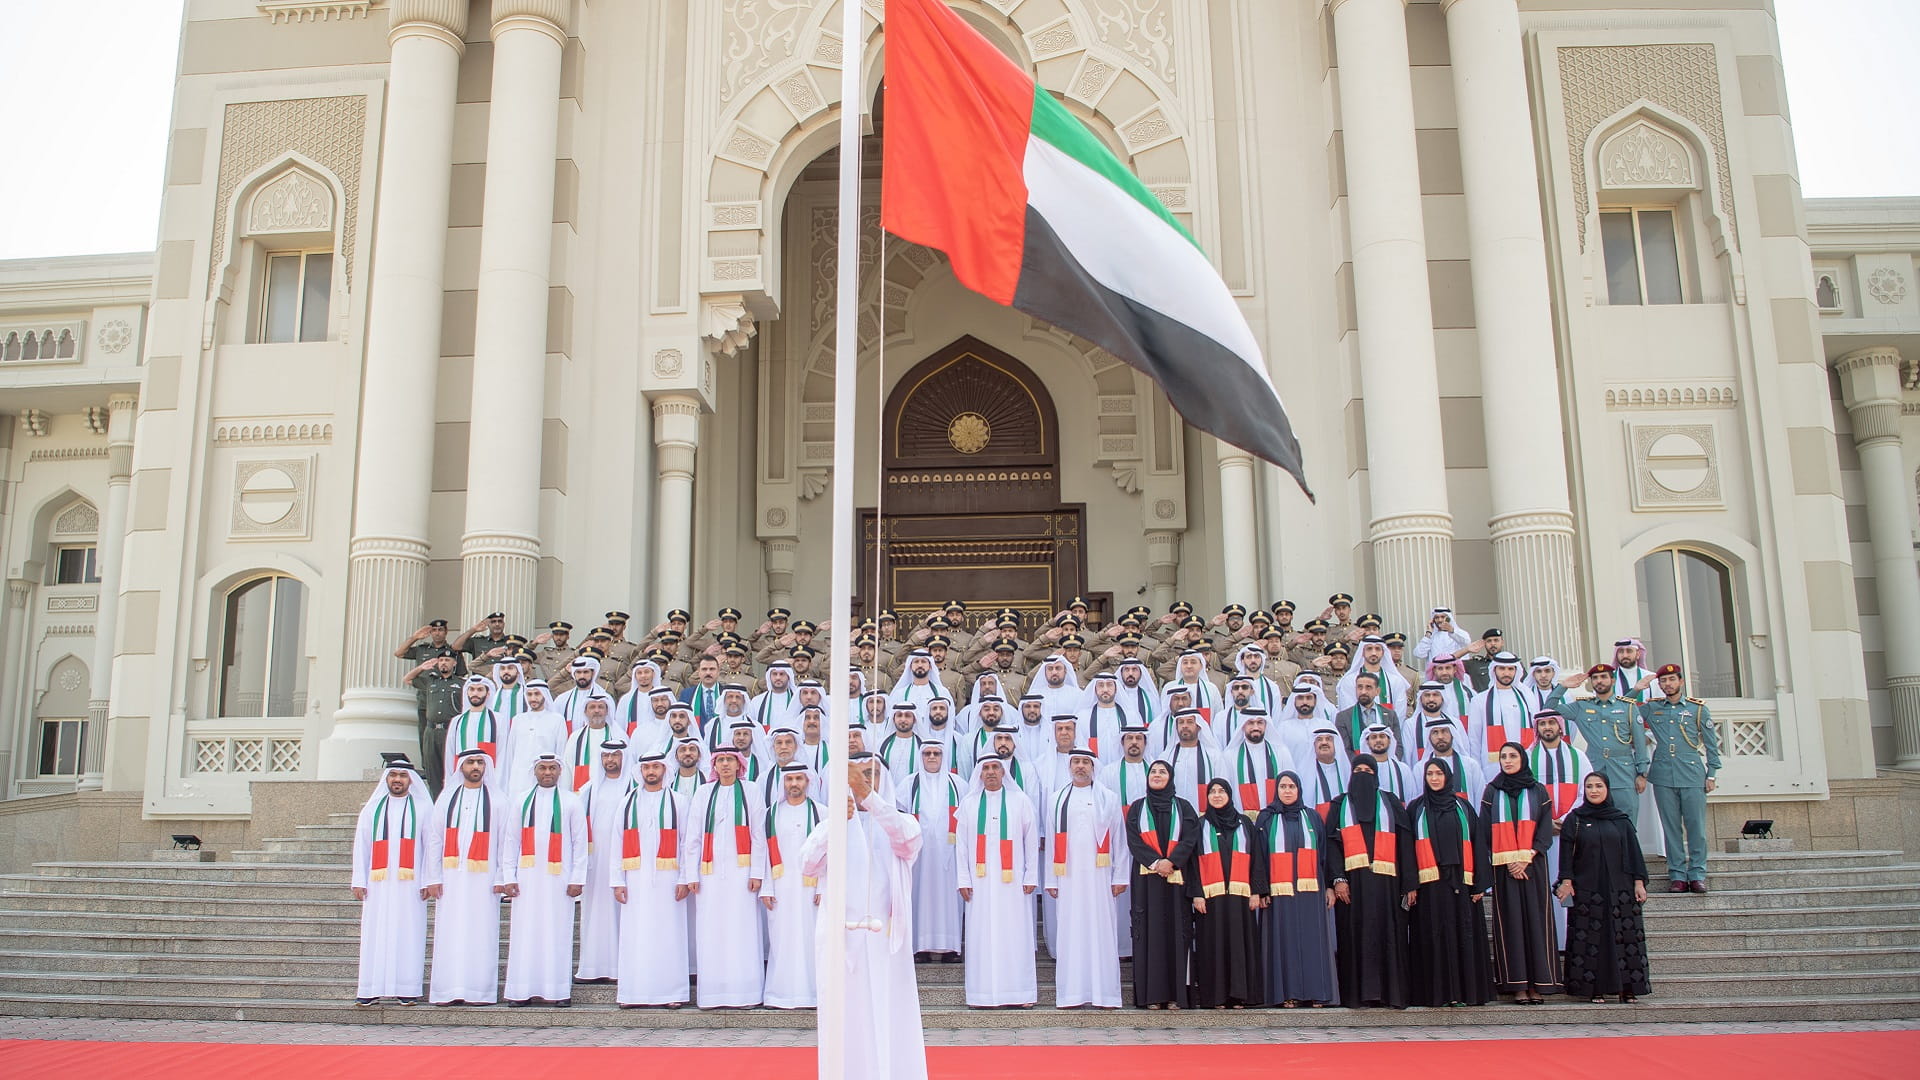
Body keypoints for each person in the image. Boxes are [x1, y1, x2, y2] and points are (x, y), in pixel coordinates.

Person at [799, 753, 928, 1080]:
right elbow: (807, 864)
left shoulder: (900, 823)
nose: (864, 783)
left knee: (889, 1014)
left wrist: (869, 797)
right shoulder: (831, 825)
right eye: (857, 777)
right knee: (845, 1016)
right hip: (842, 942)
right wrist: (834, 824)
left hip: (887, 942)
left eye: (871, 775)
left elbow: (908, 841)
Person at [1044, 748, 1129, 1009]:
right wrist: (1051, 879)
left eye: (1085, 762)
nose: (1080, 767)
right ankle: (1072, 994)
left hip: (1100, 878)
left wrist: (1120, 876)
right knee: (1071, 931)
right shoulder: (1057, 798)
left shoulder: (1108, 798)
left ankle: (1105, 994)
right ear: (1069, 766)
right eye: (1076, 762)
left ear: (1093, 766)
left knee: (1101, 931)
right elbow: (1050, 840)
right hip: (1067, 877)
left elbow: (1119, 840)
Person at [1556, 772, 1652, 1004]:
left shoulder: (1620, 820)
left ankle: (1627, 989)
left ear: (1607, 789)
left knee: (1624, 938)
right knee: (1591, 940)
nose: (1594, 790)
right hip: (1588, 892)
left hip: (1621, 892)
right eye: (1589, 786)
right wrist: (1566, 881)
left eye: (1599, 786)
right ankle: (1594, 989)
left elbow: (1633, 853)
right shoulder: (1575, 819)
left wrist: (1639, 883)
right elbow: (1566, 856)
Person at [1326, 756, 1413, 1008]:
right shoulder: (1340, 804)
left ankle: (1390, 993)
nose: (1363, 774)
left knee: (1390, 936)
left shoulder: (1391, 803)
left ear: (1376, 775)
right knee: (1354, 937)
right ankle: (1358, 995)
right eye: (1358, 770)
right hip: (1352, 889)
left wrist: (1409, 884)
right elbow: (1331, 847)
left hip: (1388, 887)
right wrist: (1338, 879)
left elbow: (1406, 844)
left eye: (1368, 770)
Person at [610, 750, 694, 1008]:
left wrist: (684, 878)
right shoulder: (627, 802)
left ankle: (672, 994)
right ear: (640, 771)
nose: (651, 772)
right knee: (636, 936)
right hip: (635, 881)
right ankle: (633, 994)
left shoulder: (679, 801)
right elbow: (617, 842)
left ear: (664, 770)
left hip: (670, 880)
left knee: (670, 935)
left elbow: (687, 843)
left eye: (656, 767)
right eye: (647, 768)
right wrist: (617, 881)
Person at [502, 754, 588, 1007]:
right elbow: (511, 841)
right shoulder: (520, 801)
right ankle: (520, 992)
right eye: (543, 768)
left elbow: (580, 844)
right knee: (524, 934)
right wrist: (508, 876)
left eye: (552, 768)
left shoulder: (572, 802)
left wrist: (577, 879)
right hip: (526, 879)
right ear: (535, 771)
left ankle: (557, 992)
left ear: (560, 772)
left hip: (560, 880)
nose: (547, 772)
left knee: (557, 934)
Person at [1405, 759, 1492, 1007]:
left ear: (1448, 776)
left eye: (1439, 773)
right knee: (1432, 936)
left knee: (1462, 936)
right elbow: (1407, 850)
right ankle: (1436, 994)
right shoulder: (1416, 808)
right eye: (1429, 773)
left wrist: (1479, 885)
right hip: (1429, 886)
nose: (1434, 778)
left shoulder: (1463, 807)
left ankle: (1464, 993)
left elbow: (1478, 844)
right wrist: (1411, 884)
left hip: (1461, 884)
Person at [351, 758, 437, 1006]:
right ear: (386, 779)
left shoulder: (423, 808)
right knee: (374, 935)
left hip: (411, 885)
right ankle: (370, 988)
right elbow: (362, 846)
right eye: (393, 775)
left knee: (409, 934)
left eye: (402, 775)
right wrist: (359, 879)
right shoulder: (371, 809)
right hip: (377, 884)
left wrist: (428, 879)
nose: (397, 779)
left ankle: (406, 989)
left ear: (411, 780)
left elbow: (430, 847)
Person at [1479, 742, 1562, 1003]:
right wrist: (1510, 861)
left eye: (1513, 756)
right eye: (1503, 756)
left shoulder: (1537, 790)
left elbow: (1545, 829)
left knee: (1536, 923)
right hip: (1504, 870)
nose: (1507, 760)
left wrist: (1527, 857)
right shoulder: (1492, 791)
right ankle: (1517, 984)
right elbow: (1484, 831)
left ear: (1522, 759)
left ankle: (1539, 983)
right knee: (1511, 924)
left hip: (1533, 867)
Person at [955, 756, 1039, 1008]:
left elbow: (1031, 841)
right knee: (982, 935)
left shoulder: (1020, 801)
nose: (990, 772)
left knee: (1015, 935)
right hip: (978, 884)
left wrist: (1031, 874)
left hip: (1013, 883)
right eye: (986, 768)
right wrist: (962, 878)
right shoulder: (969, 804)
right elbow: (961, 846)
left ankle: (1020, 993)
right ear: (979, 774)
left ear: (1004, 772)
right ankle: (982, 995)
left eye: (995, 768)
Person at [687, 746, 768, 1008]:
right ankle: (712, 994)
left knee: (741, 930)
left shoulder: (751, 791)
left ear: (739, 765)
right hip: (708, 875)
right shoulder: (703, 792)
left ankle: (745, 993)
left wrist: (757, 871)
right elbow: (693, 837)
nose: (724, 765)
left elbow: (759, 834)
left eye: (729, 760)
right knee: (711, 931)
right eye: (720, 760)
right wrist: (691, 873)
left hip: (742, 874)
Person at [429, 749, 509, 1006]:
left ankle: (479, 992)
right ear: (461, 766)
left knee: (481, 933)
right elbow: (435, 839)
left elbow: (504, 844)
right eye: (471, 762)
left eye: (480, 762)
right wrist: (433, 876)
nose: (475, 766)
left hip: (484, 880)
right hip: (450, 879)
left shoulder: (498, 800)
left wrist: (501, 877)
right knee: (449, 933)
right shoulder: (446, 799)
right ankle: (446, 991)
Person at [1254, 771, 1337, 1008]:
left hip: (1311, 891)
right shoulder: (1266, 819)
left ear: (1299, 789)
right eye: (1283, 787)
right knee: (1284, 941)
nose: (1287, 791)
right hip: (1279, 893)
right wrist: (1262, 891)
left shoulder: (1312, 817)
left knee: (1313, 940)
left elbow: (1324, 855)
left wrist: (1329, 887)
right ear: (1276, 790)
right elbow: (1258, 857)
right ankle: (1286, 994)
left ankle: (1316, 992)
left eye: (1292, 786)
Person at [1639, 663, 1721, 893]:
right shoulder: (1652, 708)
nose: (1668, 684)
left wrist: (1712, 773)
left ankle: (1697, 874)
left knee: (1696, 828)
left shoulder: (1698, 709)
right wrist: (1638, 687)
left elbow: (1712, 745)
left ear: (1681, 682)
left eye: (1672, 680)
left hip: (1692, 774)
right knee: (1671, 828)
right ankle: (1677, 875)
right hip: (1664, 775)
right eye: (1663, 681)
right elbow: (1624, 708)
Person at [1124, 760, 1198, 1010]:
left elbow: (1190, 839)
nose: (1157, 775)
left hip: (1177, 883)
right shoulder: (1137, 808)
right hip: (1147, 885)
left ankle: (1177, 995)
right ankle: (1152, 996)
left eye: (1162, 771)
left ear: (1171, 777)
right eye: (1153, 772)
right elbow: (1134, 841)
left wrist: (1172, 862)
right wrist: (1157, 863)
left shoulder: (1184, 808)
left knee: (1177, 935)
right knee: (1150, 938)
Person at [1189, 777, 1264, 1008]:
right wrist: (1196, 893)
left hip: (1241, 898)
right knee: (1213, 946)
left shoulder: (1244, 823)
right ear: (1207, 797)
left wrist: (1257, 891)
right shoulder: (1200, 825)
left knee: (1239, 946)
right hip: (1210, 899)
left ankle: (1239, 995)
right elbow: (1191, 862)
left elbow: (1257, 858)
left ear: (1230, 795)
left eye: (1222, 791)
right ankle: (1215, 997)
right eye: (1212, 791)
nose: (1217, 795)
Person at [1547, 665, 1651, 825]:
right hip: (1594, 769)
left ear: (1613, 680)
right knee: (1595, 823)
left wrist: (1642, 773)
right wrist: (1562, 686)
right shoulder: (1582, 706)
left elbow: (1639, 741)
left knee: (1626, 822)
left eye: (1603, 677)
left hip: (1623, 772)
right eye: (1595, 678)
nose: (1599, 681)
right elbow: (1549, 709)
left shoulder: (1628, 707)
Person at [762, 763, 823, 1009]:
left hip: (813, 890)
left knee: (812, 939)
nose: (794, 784)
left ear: (807, 781)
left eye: (799, 779)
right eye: (789, 779)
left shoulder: (823, 812)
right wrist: (766, 887)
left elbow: (831, 854)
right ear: (783, 783)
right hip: (781, 888)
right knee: (781, 939)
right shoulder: (771, 813)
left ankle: (813, 994)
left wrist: (823, 888)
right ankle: (780, 994)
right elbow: (762, 853)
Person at [900, 741, 964, 962]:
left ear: (944, 756)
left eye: (937, 753)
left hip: (951, 855)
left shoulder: (958, 785)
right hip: (920, 857)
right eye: (927, 753)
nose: (932, 757)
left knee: (950, 899)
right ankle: (921, 948)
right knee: (920, 897)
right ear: (921, 756)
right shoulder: (909, 784)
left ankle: (951, 948)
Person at [575, 740, 632, 984]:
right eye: (606, 755)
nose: (611, 760)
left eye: (616, 755)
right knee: (595, 911)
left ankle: (623, 967)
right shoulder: (588, 790)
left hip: (627, 859)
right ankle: (593, 966)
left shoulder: (634, 787)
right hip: (596, 860)